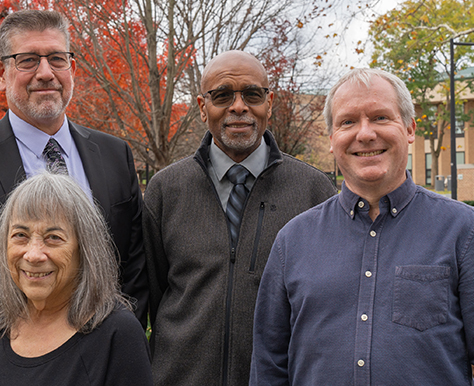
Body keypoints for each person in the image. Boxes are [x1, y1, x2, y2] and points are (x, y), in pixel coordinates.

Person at [250, 68, 474, 385]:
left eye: (381, 118)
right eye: (348, 122)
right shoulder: (293, 241)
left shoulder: (464, 231)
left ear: (410, 128)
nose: (365, 133)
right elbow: (268, 367)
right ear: (331, 139)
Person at [0, 10, 147, 386]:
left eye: (57, 58)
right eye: (27, 60)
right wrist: (23, 365)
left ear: (71, 67)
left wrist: (112, 348)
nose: (46, 73)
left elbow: (134, 268)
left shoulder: (114, 154)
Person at [143, 50, 336, 386]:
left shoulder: (313, 191)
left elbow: (327, 305)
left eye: (252, 94)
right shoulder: (165, 190)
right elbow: (153, 295)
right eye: (222, 95)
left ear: (269, 103)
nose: (238, 106)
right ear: (203, 107)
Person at [0, 173, 152, 386]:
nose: (33, 254)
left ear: (84, 250)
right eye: (20, 235)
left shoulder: (117, 335)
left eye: (53, 237)